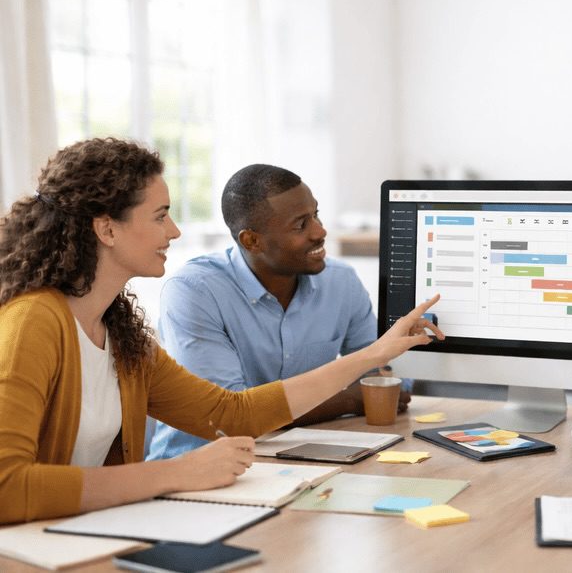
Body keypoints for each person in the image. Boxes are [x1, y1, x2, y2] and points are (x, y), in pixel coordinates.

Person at [0, 138, 443, 525]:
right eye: (159, 217)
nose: (173, 231)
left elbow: (232, 415)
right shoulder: (34, 322)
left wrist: (374, 355)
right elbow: (6, 487)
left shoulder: (118, 330)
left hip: (79, 534)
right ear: (106, 228)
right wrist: (178, 472)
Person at [147, 164, 398, 459]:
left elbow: (377, 380)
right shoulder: (195, 291)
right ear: (252, 241)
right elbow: (229, 420)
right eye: (300, 225)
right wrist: (349, 401)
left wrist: (363, 394)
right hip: (199, 469)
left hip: (302, 460)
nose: (320, 232)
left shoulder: (341, 282)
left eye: (315, 215)